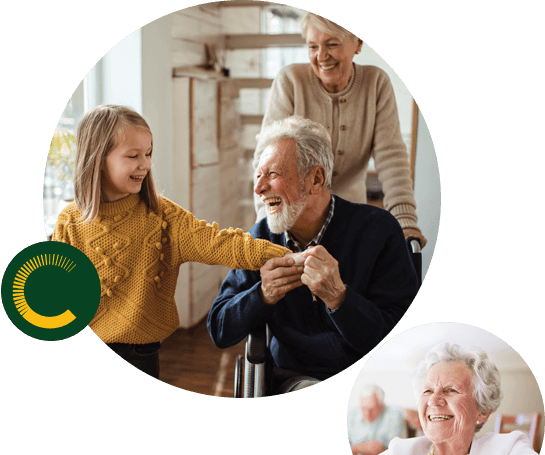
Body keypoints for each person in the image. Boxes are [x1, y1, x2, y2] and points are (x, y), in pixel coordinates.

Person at [52, 105, 291, 378]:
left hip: (140, 357)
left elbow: (221, 243)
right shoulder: (69, 221)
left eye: (149, 153)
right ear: (97, 159)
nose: (146, 164)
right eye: (133, 156)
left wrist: (286, 255)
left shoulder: (164, 217)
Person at [207, 116, 419, 391]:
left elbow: (401, 341)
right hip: (293, 378)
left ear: (316, 179)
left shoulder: (379, 231)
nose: (259, 189)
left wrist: (340, 299)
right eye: (258, 176)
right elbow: (219, 329)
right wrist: (262, 294)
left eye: (272, 174)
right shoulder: (259, 239)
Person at [253, 12, 426, 248]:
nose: (321, 56)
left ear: (358, 43)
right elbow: (266, 161)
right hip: (296, 220)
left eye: (332, 44)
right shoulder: (291, 81)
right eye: (313, 46)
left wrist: (405, 220)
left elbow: (391, 158)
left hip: (352, 220)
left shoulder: (376, 84)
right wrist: (268, 227)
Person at [362, 343, 539, 455]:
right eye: (428, 391)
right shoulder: (399, 453)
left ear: (483, 410)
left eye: (450, 390)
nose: (433, 400)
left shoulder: (508, 451)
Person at [348, 384, 405, 455]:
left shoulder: (394, 415)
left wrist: (358, 449)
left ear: (381, 405)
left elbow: (396, 450)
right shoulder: (350, 415)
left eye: (372, 409)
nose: (367, 414)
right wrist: (359, 448)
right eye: (364, 408)